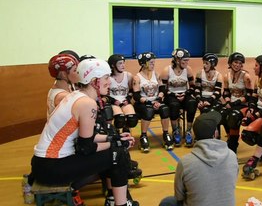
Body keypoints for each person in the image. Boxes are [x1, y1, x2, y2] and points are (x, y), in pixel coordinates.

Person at [31, 58, 139, 206]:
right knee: (118, 153)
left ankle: (113, 199)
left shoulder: (76, 96)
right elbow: (85, 148)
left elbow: (86, 138)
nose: (110, 82)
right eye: (106, 78)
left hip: (44, 164)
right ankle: (119, 203)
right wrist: (117, 143)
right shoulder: (87, 103)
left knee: (115, 149)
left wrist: (113, 138)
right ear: (94, 81)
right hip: (52, 167)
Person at [158, 111, 239, 206]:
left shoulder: (185, 162)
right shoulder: (232, 156)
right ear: (215, 134)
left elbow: (179, 196)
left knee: (168, 202)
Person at [240, 55, 262, 180]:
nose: (254, 68)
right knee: (241, 119)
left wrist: (252, 117)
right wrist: (250, 110)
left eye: (256, 65)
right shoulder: (258, 80)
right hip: (259, 111)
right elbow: (253, 99)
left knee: (247, 134)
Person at [133, 52, 174, 152]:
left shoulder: (155, 74)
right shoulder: (137, 77)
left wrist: (158, 100)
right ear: (143, 64)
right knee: (149, 111)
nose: (153, 65)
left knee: (165, 109)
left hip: (156, 101)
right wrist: (150, 103)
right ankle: (143, 136)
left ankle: (166, 134)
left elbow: (162, 89)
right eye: (151, 63)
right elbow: (136, 96)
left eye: (153, 63)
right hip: (142, 102)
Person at [160, 48, 197, 147]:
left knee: (192, 102)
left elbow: (193, 86)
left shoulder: (188, 70)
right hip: (171, 95)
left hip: (184, 94)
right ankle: (176, 130)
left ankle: (189, 130)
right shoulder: (166, 70)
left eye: (187, 60)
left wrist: (186, 93)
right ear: (177, 60)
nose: (187, 62)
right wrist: (174, 95)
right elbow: (162, 89)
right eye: (184, 60)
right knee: (174, 105)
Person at [222, 52, 254, 153]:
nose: (237, 65)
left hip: (243, 104)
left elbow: (249, 95)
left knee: (233, 116)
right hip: (231, 103)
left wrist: (235, 103)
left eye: (240, 63)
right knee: (222, 115)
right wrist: (227, 102)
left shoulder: (246, 76)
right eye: (235, 62)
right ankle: (230, 136)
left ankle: (233, 144)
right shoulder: (226, 76)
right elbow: (226, 92)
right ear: (230, 63)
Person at [107, 54, 138, 133]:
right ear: (113, 65)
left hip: (125, 101)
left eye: (123, 63)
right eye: (120, 63)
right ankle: (117, 132)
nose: (123, 65)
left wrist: (128, 99)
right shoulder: (108, 78)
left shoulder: (128, 75)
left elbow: (132, 90)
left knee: (132, 119)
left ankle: (126, 131)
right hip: (113, 102)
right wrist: (113, 101)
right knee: (120, 119)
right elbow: (104, 94)